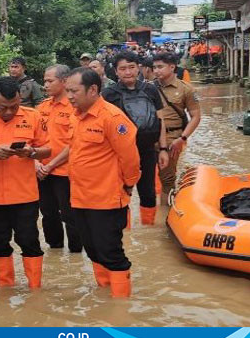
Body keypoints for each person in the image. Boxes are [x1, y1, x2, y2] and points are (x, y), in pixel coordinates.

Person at [65, 67, 140, 298]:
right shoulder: (76, 116)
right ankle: (104, 296)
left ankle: (120, 308)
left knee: (111, 253)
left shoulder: (112, 117)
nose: (69, 96)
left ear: (93, 89)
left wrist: (128, 185)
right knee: (93, 251)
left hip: (106, 200)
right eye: (67, 91)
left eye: (74, 91)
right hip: (80, 198)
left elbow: (130, 158)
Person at [0, 77, 51, 288]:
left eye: (14, 106)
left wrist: (31, 152)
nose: (9, 112)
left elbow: (48, 148)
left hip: (24, 195)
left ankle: (35, 289)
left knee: (30, 242)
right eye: (3, 108)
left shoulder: (33, 116)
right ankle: (5, 288)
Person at [102, 52, 169, 226]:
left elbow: (160, 121)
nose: (128, 72)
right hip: (119, 154)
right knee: (121, 193)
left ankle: (149, 228)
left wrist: (163, 149)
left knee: (147, 192)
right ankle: (125, 234)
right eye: (122, 69)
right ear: (116, 72)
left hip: (147, 150)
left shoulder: (150, 90)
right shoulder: (108, 94)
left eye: (132, 67)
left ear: (138, 68)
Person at [37, 65, 82, 252]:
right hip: (42, 171)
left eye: (50, 81)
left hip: (65, 171)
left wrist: (51, 165)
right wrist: (37, 163)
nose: (45, 84)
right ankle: (54, 251)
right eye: (45, 80)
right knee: (48, 214)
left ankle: (76, 254)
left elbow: (75, 144)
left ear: (64, 82)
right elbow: (32, 138)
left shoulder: (75, 108)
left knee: (70, 214)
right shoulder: (41, 107)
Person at [152, 52, 202, 202]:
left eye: (160, 67)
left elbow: (196, 117)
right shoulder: (148, 88)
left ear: (172, 67)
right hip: (149, 137)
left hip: (172, 139)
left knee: (167, 177)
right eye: (154, 67)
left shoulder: (186, 89)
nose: (156, 70)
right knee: (145, 177)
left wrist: (182, 138)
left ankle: (166, 212)